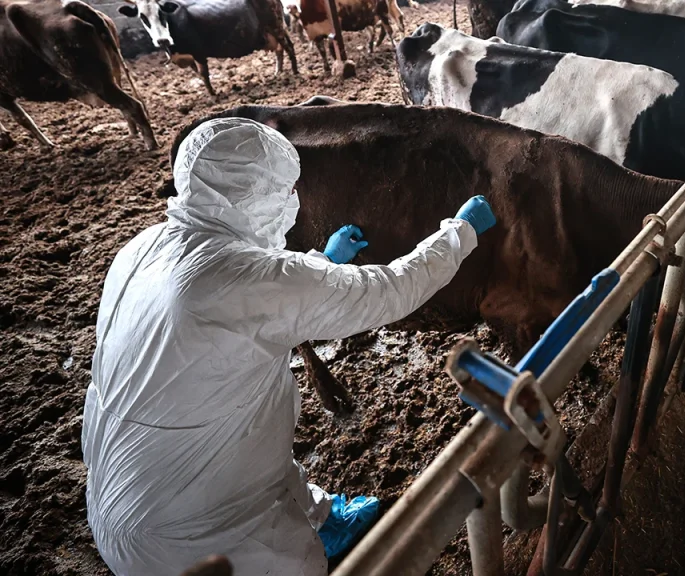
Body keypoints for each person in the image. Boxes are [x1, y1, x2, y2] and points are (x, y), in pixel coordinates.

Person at [81, 117, 497, 576]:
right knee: (301, 565)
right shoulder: (238, 279)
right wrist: (459, 232)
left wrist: (320, 263)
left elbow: (247, 305)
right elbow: (390, 289)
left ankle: (322, 517)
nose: (292, 199)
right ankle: (315, 541)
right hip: (191, 537)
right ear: (253, 194)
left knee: (251, 437)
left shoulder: (143, 249)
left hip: (119, 491)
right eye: (281, 188)